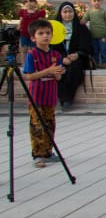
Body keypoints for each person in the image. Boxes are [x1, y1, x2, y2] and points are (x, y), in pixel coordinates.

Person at [21, 19, 63, 168]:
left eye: (48, 33)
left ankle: (48, 152)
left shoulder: (56, 55)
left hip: (50, 95)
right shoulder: (31, 55)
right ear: (33, 37)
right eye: (41, 33)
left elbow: (58, 76)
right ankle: (37, 154)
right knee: (37, 125)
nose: (45, 36)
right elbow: (29, 75)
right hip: (36, 96)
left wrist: (58, 73)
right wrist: (48, 71)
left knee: (50, 124)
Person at [52, 2, 93, 109]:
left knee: (73, 70)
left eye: (70, 11)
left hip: (77, 59)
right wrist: (61, 58)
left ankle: (67, 99)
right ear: (60, 13)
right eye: (65, 12)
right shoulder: (53, 29)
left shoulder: (81, 28)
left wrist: (77, 54)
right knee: (59, 71)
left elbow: (87, 45)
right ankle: (63, 98)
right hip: (59, 58)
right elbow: (50, 47)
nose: (67, 14)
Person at [83, 0, 106, 67]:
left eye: (98, 1)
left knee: (103, 49)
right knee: (95, 50)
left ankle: (104, 62)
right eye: (94, 1)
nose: (96, 2)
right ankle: (96, 63)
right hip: (93, 35)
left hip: (102, 35)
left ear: (102, 1)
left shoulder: (103, 12)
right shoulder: (89, 12)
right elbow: (84, 21)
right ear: (90, 1)